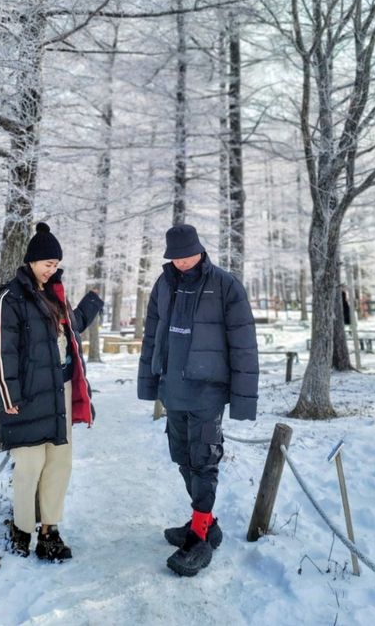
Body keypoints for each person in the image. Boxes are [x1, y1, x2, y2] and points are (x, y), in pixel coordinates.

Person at [137, 223, 259, 577]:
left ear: (200, 250)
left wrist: (243, 399)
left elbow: (243, 343)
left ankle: (200, 534)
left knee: (203, 459)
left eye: (187, 255)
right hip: (172, 388)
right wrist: (149, 383)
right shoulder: (164, 283)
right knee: (182, 457)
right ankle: (203, 521)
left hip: (208, 390)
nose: (182, 262)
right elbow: (152, 334)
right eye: (175, 257)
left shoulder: (225, 285)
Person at [0, 222, 103, 561]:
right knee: (29, 465)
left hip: (60, 389)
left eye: (55, 265)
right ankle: (22, 528)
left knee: (59, 462)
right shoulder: (10, 298)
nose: (50, 270)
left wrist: (91, 304)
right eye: (46, 264)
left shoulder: (54, 294)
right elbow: (1, 352)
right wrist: (9, 398)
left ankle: (49, 529)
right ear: (30, 262)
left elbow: (67, 331)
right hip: (26, 395)